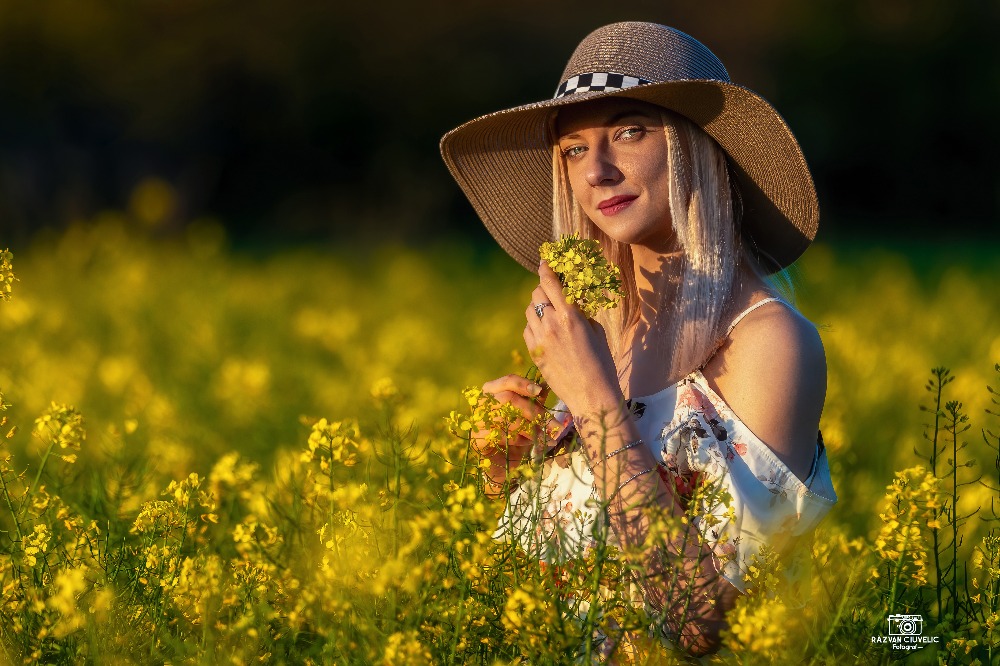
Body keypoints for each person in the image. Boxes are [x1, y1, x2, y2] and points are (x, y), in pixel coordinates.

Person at [440, 22, 838, 659]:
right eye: (574, 149)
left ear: (694, 146)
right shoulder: (592, 327)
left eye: (629, 132)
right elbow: (563, 583)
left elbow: (702, 626)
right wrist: (505, 476)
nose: (597, 171)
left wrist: (594, 404)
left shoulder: (769, 343)